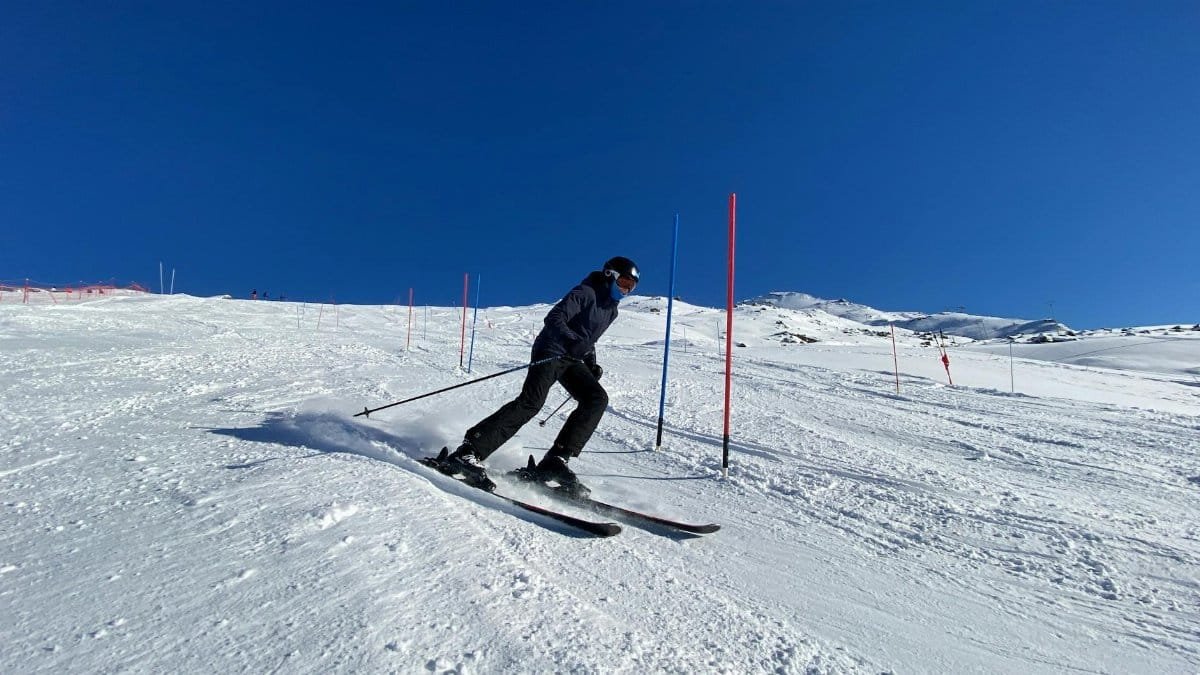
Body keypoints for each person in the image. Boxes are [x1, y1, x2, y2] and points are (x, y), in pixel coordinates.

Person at [442, 256, 640, 496]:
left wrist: (591, 362)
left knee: (595, 399)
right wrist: (572, 341)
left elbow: (588, 338)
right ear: (610, 275)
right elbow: (555, 318)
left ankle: (555, 462)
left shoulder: (612, 310)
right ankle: (468, 452)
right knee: (531, 402)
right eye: (624, 283)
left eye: (631, 286)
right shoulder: (586, 292)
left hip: (571, 358)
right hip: (551, 349)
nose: (626, 290)